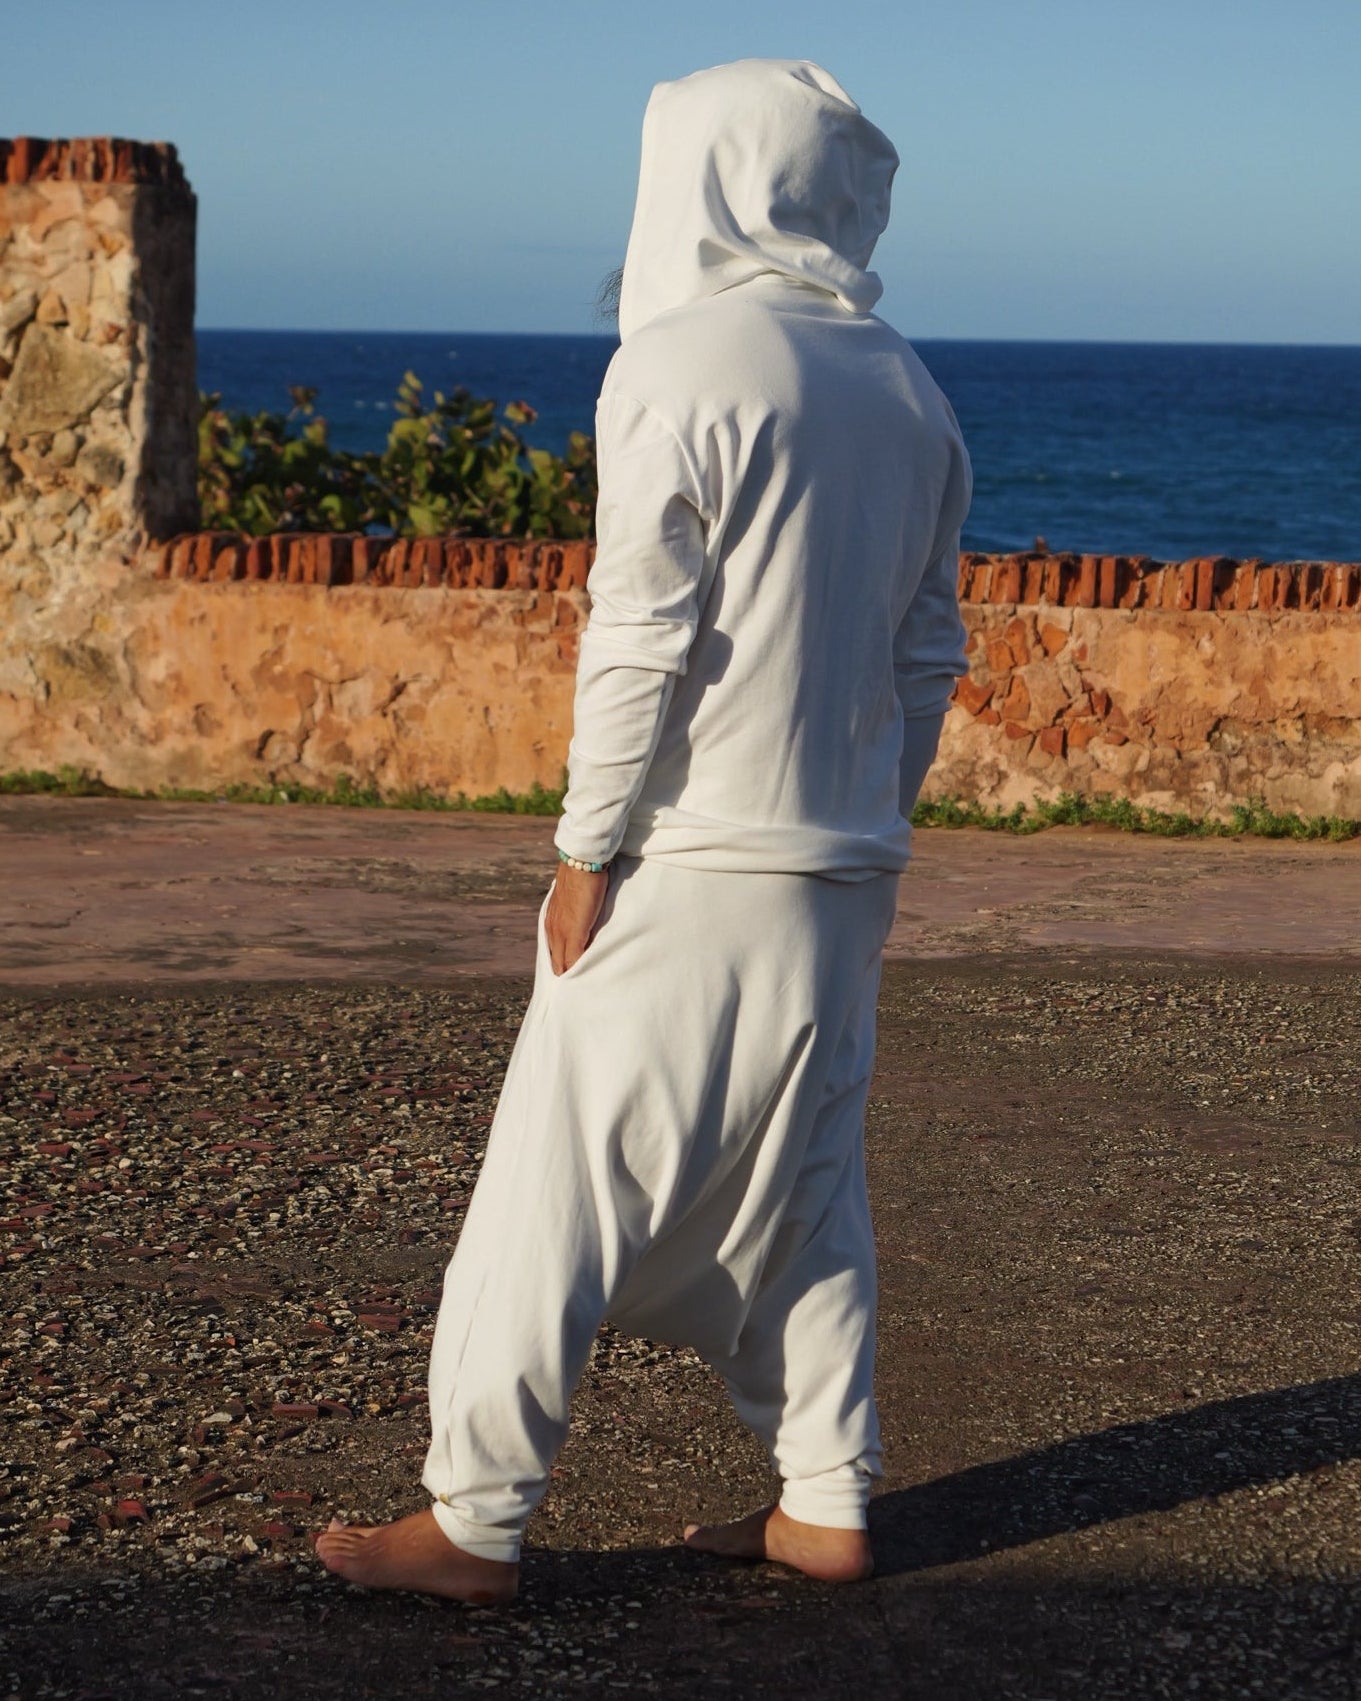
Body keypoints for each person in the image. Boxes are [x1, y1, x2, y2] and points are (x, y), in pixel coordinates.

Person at [316, 56, 971, 1605]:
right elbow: (928, 652)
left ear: (701, 175)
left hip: (687, 857)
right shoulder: (907, 388)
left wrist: (585, 845)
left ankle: (474, 1520)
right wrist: (869, 819)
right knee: (805, 1185)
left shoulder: (676, 364)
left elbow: (640, 637)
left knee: (550, 1183)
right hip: (840, 864)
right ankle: (824, 1496)